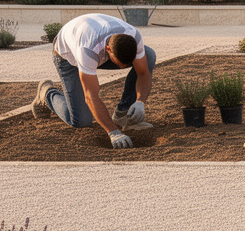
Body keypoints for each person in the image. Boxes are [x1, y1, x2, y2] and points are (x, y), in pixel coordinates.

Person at [31, 13, 156, 149]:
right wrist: (113, 132)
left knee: (148, 56)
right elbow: (90, 95)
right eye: (120, 64)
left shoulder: (134, 36)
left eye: (126, 64)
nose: (122, 68)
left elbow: (143, 73)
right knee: (81, 120)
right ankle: (47, 93)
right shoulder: (88, 50)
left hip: (99, 46)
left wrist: (140, 101)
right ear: (108, 49)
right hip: (67, 55)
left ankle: (123, 114)